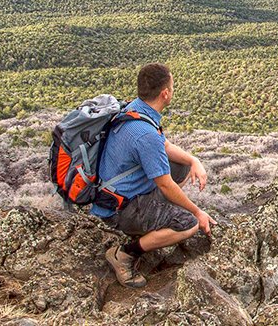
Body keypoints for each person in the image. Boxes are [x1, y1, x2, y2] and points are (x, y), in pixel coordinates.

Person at [93, 63, 217, 288]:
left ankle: (154, 218)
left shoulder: (135, 109)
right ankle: (124, 254)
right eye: (172, 86)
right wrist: (198, 213)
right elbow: (166, 185)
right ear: (165, 94)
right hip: (119, 209)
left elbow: (165, 145)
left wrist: (193, 160)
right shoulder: (145, 134)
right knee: (188, 224)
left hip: (117, 190)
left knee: (179, 166)